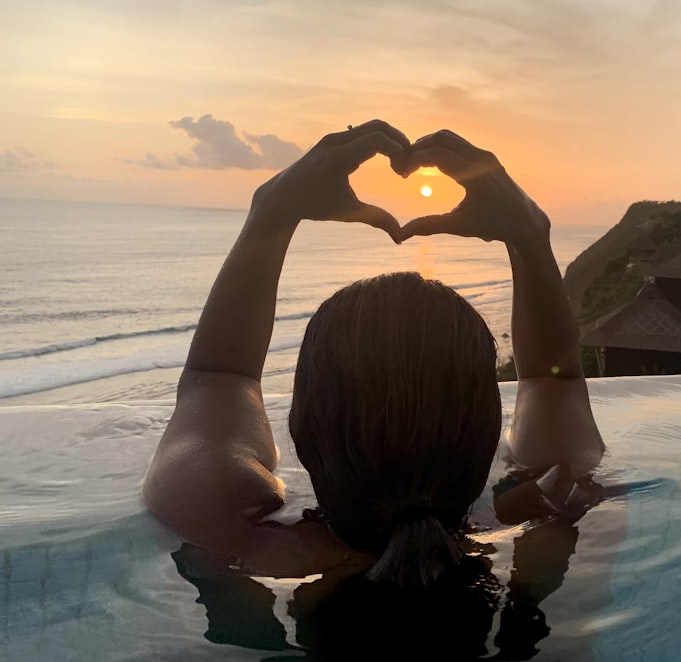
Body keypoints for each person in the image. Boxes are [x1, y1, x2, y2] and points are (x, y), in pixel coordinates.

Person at [142, 120, 606, 592]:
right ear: (489, 437)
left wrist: (272, 212)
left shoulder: (234, 531)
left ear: (300, 433)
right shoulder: (552, 506)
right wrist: (530, 233)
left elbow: (218, 376)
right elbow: (555, 381)